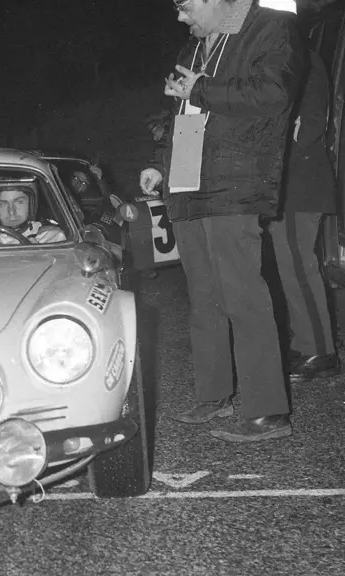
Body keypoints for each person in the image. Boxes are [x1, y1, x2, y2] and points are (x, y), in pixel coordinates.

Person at [138, 0, 307, 443]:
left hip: (233, 184)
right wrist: (162, 162)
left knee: (243, 297)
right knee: (204, 296)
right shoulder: (194, 46)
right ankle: (214, 395)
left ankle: (266, 411)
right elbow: (184, 115)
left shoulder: (272, 28)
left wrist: (201, 90)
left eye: (186, 7)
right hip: (189, 182)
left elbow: (274, 94)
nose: (180, 17)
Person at [269, 49, 340, 383]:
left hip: (301, 183)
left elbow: (307, 128)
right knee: (291, 269)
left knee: (299, 267)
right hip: (288, 185)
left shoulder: (304, 60)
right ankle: (306, 342)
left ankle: (320, 349)